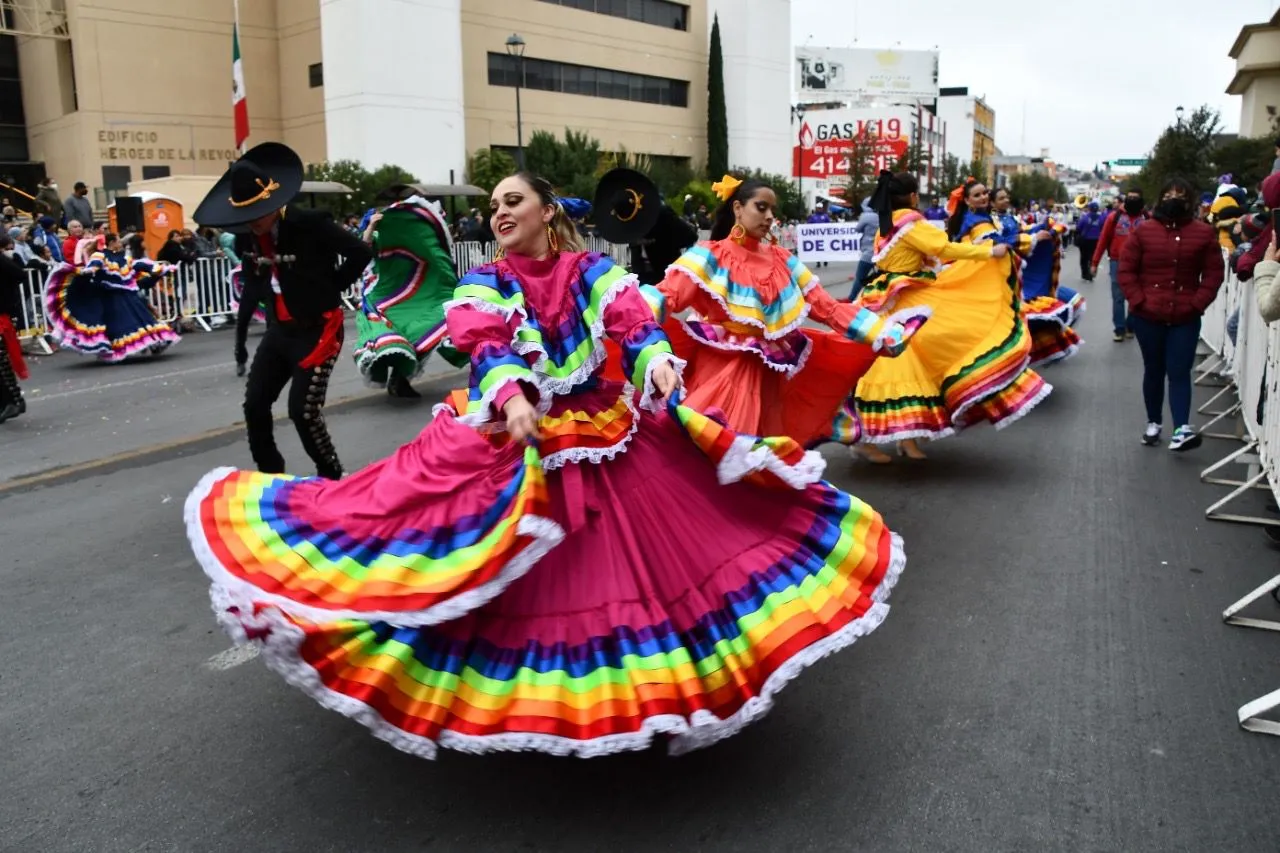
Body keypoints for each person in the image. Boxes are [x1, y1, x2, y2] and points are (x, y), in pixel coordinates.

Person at [183, 169, 907, 760]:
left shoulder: (591, 270)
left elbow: (632, 321)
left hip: (609, 432)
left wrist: (655, 362)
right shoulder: (486, 282)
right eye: (493, 203)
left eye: (512, 200)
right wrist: (512, 391)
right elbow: (489, 342)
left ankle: (647, 693)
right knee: (477, 557)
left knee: (641, 561)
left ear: (544, 214)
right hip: (523, 438)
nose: (499, 211)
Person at [637, 172, 926, 446]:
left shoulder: (782, 260)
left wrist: (879, 333)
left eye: (772, 210)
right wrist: (631, 322)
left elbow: (827, 308)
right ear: (738, 208)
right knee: (718, 450)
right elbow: (667, 296)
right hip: (722, 372)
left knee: (758, 456)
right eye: (761, 207)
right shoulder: (710, 255)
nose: (769, 217)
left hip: (768, 377)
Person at [193, 142, 372, 481]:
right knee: (255, 406)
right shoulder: (247, 236)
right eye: (244, 217)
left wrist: (331, 287)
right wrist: (244, 327)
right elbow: (253, 279)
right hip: (280, 331)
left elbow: (360, 252)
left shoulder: (311, 223)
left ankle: (331, 476)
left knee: (302, 411)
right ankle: (271, 477)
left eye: (256, 215)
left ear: (273, 204)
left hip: (319, 329)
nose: (251, 224)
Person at [843, 172, 1049, 463]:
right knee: (900, 364)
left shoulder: (890, 221)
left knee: (914, 362)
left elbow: (935, 253)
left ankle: (906, 438)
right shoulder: (909, 223)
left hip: (898, 295)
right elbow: (942, 248)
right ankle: (867, 438)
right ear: (913, 195)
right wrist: (988, 252)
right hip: (902, 299)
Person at [1118, 177, 1224, 451]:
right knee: (1154, 369)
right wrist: (1139, 301)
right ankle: (1154, 423)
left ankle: (1181, 429)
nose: (1174, 199)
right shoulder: (1143, 232)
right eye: (1169, 194)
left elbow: (1213, 273)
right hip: (1148, 315)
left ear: (1189, 201)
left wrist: (1197, 303)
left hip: (1185, 316)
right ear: (1160, 198)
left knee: (1179, 371)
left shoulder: (1203, 233)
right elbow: (1126, 271)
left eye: (1180, 194)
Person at [352, 197, 462, 398]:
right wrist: (372, 227)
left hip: (413, 297)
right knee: (399, 338)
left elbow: (430, 250)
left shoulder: (408, 237)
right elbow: (362, 249)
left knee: (431, 327)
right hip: (383, 298)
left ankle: (400, 379)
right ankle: (399, 380)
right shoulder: (378, 237)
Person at [979, 187, 1082, 368]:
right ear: (993, 202)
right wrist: (1034, 237)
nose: (1006, 200)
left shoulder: (1010, 218)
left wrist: (1045, 226)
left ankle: (1040, 349)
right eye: (1001, 198)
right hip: (1005, 276)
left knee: (1069, 301)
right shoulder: (990, 222)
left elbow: (1023, 231)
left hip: (1018, 272)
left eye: (1006, 196)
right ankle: (1014, 361)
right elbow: (1006, 241)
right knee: (1019, 321)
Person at [42, 242, 178, 363]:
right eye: (117, 241)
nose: (120, 244)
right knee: (132, 321)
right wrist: (162, 269)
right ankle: (150, 343)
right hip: (119, 296)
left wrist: (161, 269)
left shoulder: (113, 257)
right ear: (111, 243)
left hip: (117, 297)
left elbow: (138, 265)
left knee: (124, 322)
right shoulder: (111, 257)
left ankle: (144, 344)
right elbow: (142, 265)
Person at [1092, 189, 1147, 342]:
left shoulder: (1147, 218)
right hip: (1118, 262)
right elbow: (1103, 240)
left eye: (1136, 197)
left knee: (1136, 297)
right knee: (1118, 297)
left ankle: (1131, 325)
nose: (1132, 200)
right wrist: (1095, 263)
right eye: (1130, 197)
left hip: (1141, 263)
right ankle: (1119, 329)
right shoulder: (1114, 217)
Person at [853, 195, 879, 296]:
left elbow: (858, 229)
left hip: (868, 252)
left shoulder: (866, 216)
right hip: (879, 252)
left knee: (860, 277)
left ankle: (851, 298)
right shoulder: (882, 215)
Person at [1075, 201, 1105, 281]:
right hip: (1096, 240)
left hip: (1085, 240)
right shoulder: (1101, 218)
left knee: (1084, 258)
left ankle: (1085, 274)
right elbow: (1103, 229)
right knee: (1093, 257)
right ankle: (1091, 273)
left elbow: (1078, 228)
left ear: (1089, 208)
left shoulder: (1085, 217)